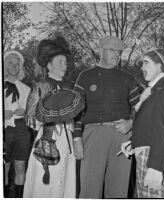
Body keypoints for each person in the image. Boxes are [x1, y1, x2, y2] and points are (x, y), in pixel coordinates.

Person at [73, 36, 140, 198]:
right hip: (94, 134)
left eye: (119, 51)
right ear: (101, 50)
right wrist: (77, 139)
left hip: (122, 137)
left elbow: (140, 107)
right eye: (112, 50)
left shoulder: (128, 78)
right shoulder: (85, 76)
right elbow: (76, 111)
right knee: (89, 188)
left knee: (119, 190)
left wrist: (131, 123)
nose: (116, 54)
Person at [23, 36, 84, 198]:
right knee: (46, 186)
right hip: (47, 140)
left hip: (67, 140)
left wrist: (75, 137)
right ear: (49, 65)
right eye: (60, 62)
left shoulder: (70, 88)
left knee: (65, 182)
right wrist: (47, 115)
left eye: (65, 62)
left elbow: (77, 116)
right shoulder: (40, 87)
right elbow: (29, 118)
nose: (65, 66)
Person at [121, 48, 164, 198]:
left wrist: (156, 167)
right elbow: (150, 124)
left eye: (146, 63)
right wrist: (132, 142)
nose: (142, 67)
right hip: (147, 156)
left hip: (154, 161)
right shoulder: (155, 90)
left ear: (159, 65)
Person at [4, 50, 31, 197]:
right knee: (4, 166)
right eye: (10, 63)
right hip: (4, 131)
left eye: (17, 64)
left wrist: (26, 112)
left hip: (22, 131)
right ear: (5, 65)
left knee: (20, 166)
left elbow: (32, 114)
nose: (14, 66)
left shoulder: (27, 89)